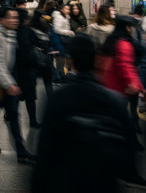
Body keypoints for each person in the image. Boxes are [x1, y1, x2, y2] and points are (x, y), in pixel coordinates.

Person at [32, 34, 146, 193]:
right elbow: (128, 154)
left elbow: (45, 150)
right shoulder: (115, 101)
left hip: (65, 182)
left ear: (71, 62)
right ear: (97, 60)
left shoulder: (58, 99)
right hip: (103, 183)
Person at [0, 7, 36, 164]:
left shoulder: (10, 32)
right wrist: (9, 84)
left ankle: (21, 151)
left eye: (16, 17)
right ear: (1, 19)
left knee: (11, 115)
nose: (15, 20)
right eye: (11, 18)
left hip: (8, 79)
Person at [99, 16, 146, 137]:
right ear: (126, 27)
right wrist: (137, 85)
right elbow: (126, 66)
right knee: (122, 118)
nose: (132, 30)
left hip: (109, 85)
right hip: (122, 88)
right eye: (130, 27)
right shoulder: (124, 43)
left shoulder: (111, 39)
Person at [15, 5, 40, 128]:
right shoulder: (28, 31)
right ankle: (33, 120)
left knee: (14, 97)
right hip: (29, 69)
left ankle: (10, 115)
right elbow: (37, 44)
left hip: (16, 70)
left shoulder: (11, 32)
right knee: (30, 98)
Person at [52, 4, 74, 81]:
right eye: (66, 9)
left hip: (62, 41)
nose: (68, 11)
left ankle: (60, 76)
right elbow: (57, 30)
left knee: (62, 60)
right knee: (60, 60)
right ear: (62, 9)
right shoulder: (59, 17)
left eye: (69, 9)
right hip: (59, 41)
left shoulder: (65, 17)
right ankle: (57, 78)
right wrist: (68, 32)